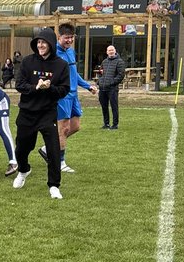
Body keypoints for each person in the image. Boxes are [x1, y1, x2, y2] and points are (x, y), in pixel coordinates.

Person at [12, 30, 69, 200]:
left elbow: (64, 90)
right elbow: (20, 85)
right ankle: (23, 171)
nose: (40, 45)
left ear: (51, 44)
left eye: (44, 42)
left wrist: (50, 88)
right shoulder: (28, 62)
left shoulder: (61, 65)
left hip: (47, 113)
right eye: (38, 42)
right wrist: (35, 87)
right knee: (21, 149)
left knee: (53, 150)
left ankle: (54, 186)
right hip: (27, 112)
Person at [44, 22, 97, 174]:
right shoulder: (53, 53)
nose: (69, 40)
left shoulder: (70, 52)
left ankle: (48, 148)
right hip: (62, 95)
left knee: (75, 126)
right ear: (59, 37)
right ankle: (60, 162)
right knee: (64, 128)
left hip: (74, 95)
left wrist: (87, 86)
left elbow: (74, 73)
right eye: (66, 38)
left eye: (71, 37)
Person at [97, 43, 126, 129]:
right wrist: (100, 81)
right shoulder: (104, 62)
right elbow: (100, 72)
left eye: (112, 50)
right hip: (102, 88)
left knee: (114, 106)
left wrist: (112, 82)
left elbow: (121, 75)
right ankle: (106, 124)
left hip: (112, 88)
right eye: (109, 50)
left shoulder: (119, 62)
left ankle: (115, 124)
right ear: (107, 52)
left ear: (115, 51)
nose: (111, 52)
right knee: (104, 107)